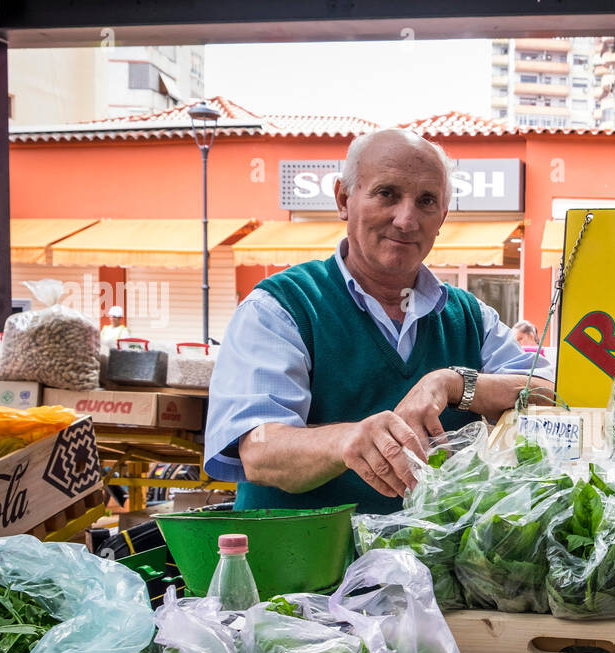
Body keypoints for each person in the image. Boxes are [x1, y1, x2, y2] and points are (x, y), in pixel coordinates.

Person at [204, 128, 554, 515]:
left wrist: (454, 383)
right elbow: (258, 449)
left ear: (442, 217)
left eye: (426, 201)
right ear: (343, 199)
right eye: (386, 194)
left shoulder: (470, 317)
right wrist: (348, 441)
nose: (406, 220)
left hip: (433, 569)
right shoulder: (281, 307)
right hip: (300, 566)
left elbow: (550, 395)